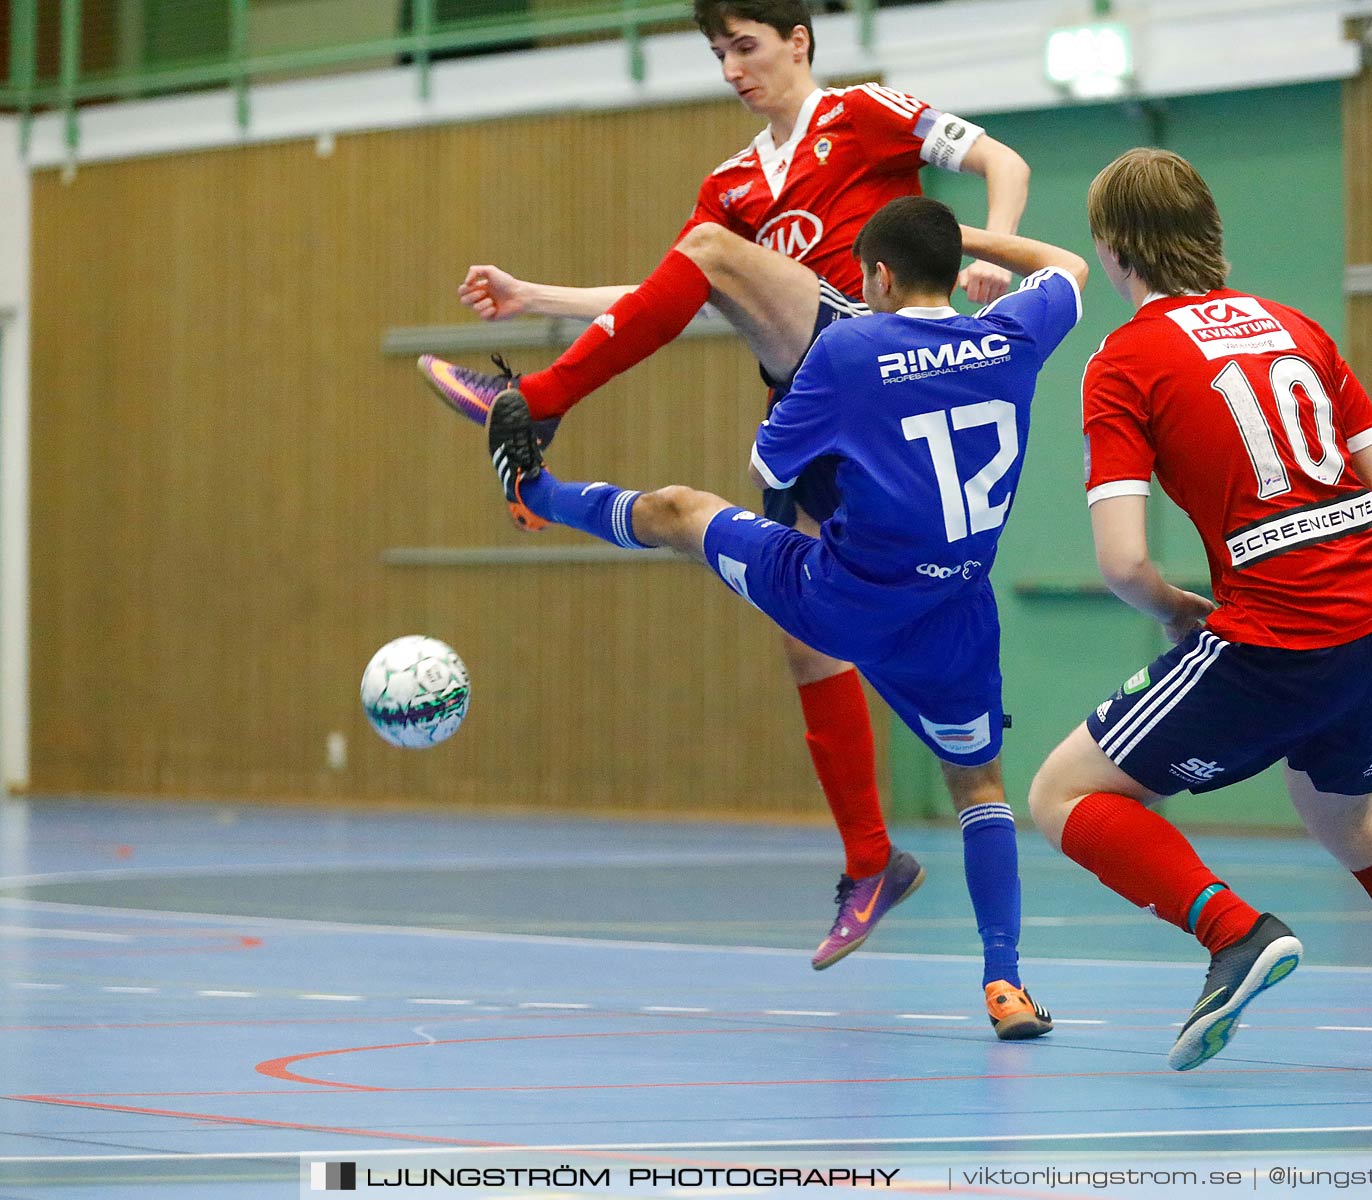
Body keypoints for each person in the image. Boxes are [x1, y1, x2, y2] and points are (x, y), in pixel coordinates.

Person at [418, 0, 1034, 966]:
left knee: (708, 260)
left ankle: (532, 404)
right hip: (816, 405)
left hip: (869, 348)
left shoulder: (866, 112)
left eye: (744, 46)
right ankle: (872, 860)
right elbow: (670, 290)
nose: (730, 68)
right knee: (805, 641)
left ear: (799, 41)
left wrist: (988, 254)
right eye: (716, 53)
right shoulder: (734, 182)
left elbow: (1007, 162)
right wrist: (538, 296)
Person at [480, 197, 1085, 1035]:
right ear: (949, 268)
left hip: (837, 596)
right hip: (953, 612)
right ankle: (1005, 983)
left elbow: (771, 461)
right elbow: (1068, 264)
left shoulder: (848, 347)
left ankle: (535, 491)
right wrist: (969, 239)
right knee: (978, 786)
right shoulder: (1018, 331)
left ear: (874, 276)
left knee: (683, 514)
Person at [1024, 148, 1372, 1073]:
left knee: (1062, 793)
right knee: (1346, 817)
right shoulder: (1295, 328)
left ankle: (1234, 932)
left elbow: (1123, 561)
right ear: (1210, 233)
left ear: (1113, 252)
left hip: (1279, 629)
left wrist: (1176, 608)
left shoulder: (1123, 361)